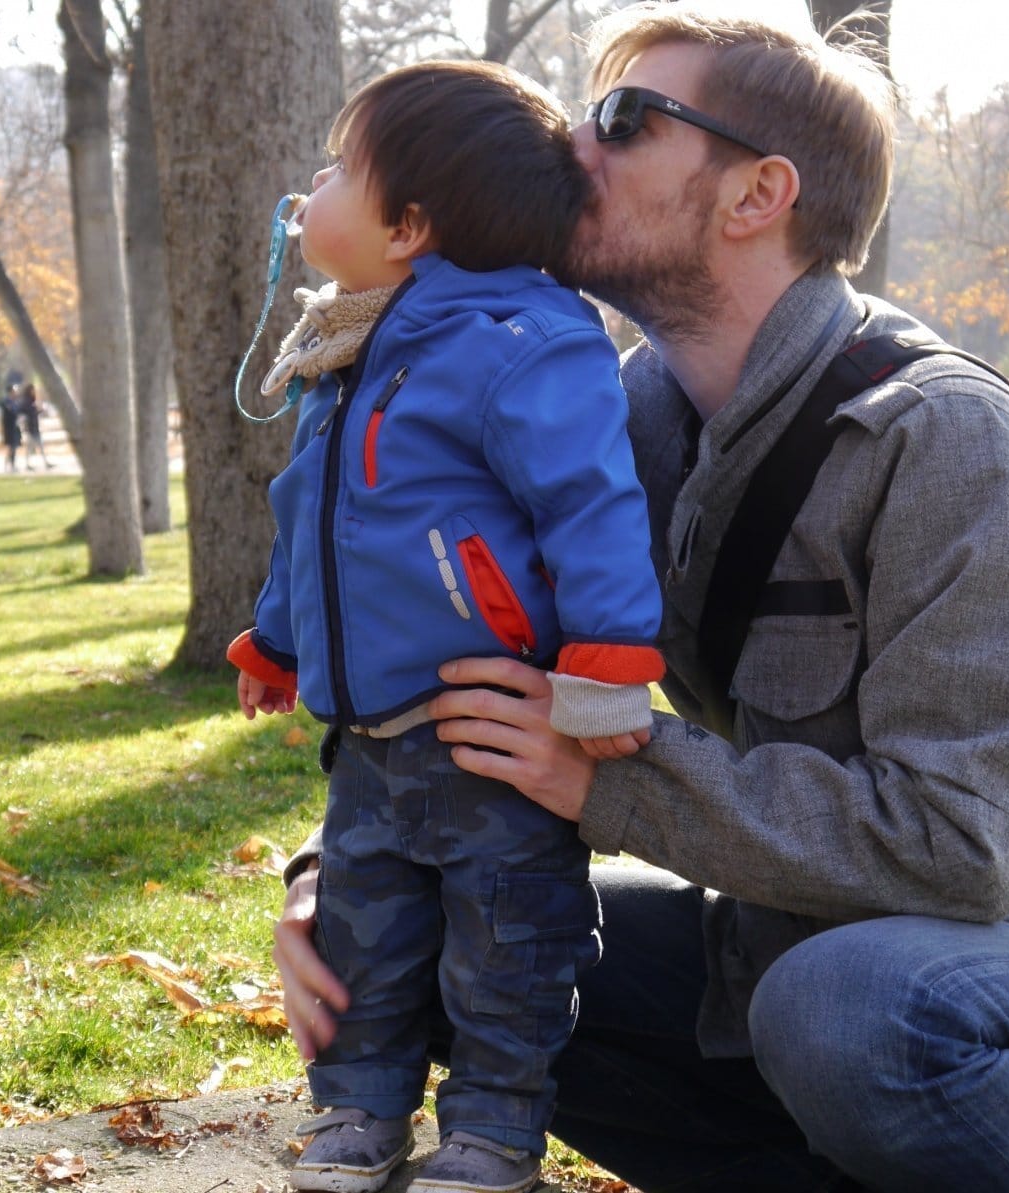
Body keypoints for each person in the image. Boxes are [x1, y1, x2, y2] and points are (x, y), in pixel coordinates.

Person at [272, 5, 1009, 1192]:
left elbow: (963, 848)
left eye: (624, 121)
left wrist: (607, 774)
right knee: (417, 945)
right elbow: (461, 653)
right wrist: (337, 869)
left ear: (757, 195)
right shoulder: (614, 417)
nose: (573, 146)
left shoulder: (938, 438)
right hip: (785, 939)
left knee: (848, 1013)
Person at [228, 60, 663, 1193]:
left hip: (489, 723)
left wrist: (609, 660)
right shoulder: (347, 349)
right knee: (363, 936)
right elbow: (315, 524)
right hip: (370, 738)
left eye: (334, 169)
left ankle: (494, 1126)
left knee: (508, 937)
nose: (308, 188)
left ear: (409, 223)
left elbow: (589, 497)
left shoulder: (520, 336)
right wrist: (277, 639)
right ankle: (358, 1113)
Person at [18, 382, 52, 470]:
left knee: (39, 446)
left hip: (35, 427)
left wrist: (39, 410)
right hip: (30, 428)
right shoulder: (26, 402)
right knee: (30, 448)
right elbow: (25, 414)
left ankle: (44, 462)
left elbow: (34, 413)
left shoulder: (32, 401)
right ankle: (28, 464)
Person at [0, 385, 22, 472]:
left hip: (15, 427)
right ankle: (8, 465)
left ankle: (11, 465)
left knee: (13, 447)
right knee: (11, 447)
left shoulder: (14, 402)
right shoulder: (6, 402)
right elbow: (10, 413)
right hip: (9, 428)